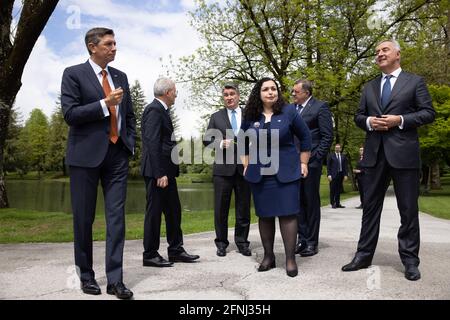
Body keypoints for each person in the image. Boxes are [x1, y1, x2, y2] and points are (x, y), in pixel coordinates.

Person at [342, 39, 435, 281]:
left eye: (384, 50)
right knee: (370, 208)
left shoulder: (414, 82)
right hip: (374, 156)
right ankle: (363, 255)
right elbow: (359, 116)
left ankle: (410, 261)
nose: (379, 54)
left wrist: (400, 120)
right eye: (377, 52)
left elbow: (428, 113)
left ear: (397, 54)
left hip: (404, 155)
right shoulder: (369, 87)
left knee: (408, 210)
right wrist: (370, 122)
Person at [61, 27, 135, 299]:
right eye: (108, 43)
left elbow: (130, 115)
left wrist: (130, 142)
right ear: (92, 47)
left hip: (117, 156)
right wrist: (105, 104)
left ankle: (115, 280)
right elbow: (70, 114)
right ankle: (87, 276)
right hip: (84, 157)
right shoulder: (73, 74)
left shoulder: (121, 77)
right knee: (84, 219)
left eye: (115, 43)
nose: (114, 47)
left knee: (117, 220)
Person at [240, 77, 311, 277]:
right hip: (260, 173)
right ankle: (269, 257)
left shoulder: (289, 112)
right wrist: (246, 165)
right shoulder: (250, 116)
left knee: (288, 214)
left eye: (274, 89)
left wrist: (303, 162)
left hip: (287, 172)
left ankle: (290, 259)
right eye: (266, 89)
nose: (270, 92)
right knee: (265, 215)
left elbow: (305, 137)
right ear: (259, 93)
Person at [141, 77, 200, 268]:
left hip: (167, 172)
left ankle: (175, 250)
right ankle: (150, 254)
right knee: (154, 213)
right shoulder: (153, 110)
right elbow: (151, 143)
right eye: (175, 91)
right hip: (157, 173)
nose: (176, 94)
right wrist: (159, 173)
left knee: (173, 211)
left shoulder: (163, 111)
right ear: (167, 93)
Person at [203, 84, 252, 257]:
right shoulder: (216, 117)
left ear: (238, 96)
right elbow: (206, 140)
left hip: (245, 169)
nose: (229, 97)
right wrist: (220, 143)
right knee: (220, 209)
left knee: (243, 209)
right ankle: (221, 243)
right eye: (225, 95)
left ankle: (242, 242)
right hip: (222, 171)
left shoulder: (249, 114)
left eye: (232, 94)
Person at [291, 79, 333, 257]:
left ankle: (312, 242)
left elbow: (327, 136)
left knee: (311, 201)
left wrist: (314, 158)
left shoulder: (320, 107)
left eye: (295, 92)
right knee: (297, 202)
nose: (292, 94)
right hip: (292, 163)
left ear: (306, 93)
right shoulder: (291, 109)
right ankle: (302, 239)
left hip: (311, 163)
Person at [327, 144, 348, 208]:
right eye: (336, 148)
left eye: (338, 148)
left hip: (340, 175)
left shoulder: (343, 156)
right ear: (334, 148)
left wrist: (345, 175)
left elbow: (345, 166)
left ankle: (338, 203)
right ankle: (332, 203)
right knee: (332, 189)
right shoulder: (331, 156)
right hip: (333, 175)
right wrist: (329, 174)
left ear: (340, 149)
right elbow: (328, 166)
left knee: (338, 190)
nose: (337, 149)